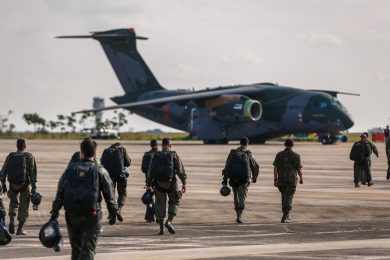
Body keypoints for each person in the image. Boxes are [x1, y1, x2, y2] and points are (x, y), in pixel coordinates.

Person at [50, 138, 118, 260]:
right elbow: (109, 194)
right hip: (92, 214)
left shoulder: (70, 169)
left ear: (81, 152)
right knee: (88, 249)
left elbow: (60, 191)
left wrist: (54, 213)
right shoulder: (100, 170)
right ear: (95, 152)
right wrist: (113, 212)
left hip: (72, 214)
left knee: (76, 249)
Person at [146, 138, 186, 235]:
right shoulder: (173, 154)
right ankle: (169, 221)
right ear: (170, 145)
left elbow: (150, 171)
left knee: (160, 204)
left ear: (162, 145)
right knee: (175, 201)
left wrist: (148, 183)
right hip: (172, 183)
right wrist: (184, 182)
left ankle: (161, 229)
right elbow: (180, 170)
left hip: (159, 184)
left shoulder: (156, 155)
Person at [0, 139, 38, 235]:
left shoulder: (11, 156)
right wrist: (34, 188)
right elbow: (33, 174)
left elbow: (3, 171)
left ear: (17, 146)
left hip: (12, 185)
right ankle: (19, 229)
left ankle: (12, 220)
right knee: (24, 207)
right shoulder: (29, 156)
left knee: (13, 203)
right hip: (24, 185)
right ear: (24, 146)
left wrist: (4, 184)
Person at [222, 137, 259, 224]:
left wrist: (225, 180)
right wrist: (254, 177)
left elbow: (227, 166)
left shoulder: (233, 153)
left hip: (234, 179)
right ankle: (239, 216)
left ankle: (237, 213)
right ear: (247, 144)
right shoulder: (248, 153)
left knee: (236, 197)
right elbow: (256, 166)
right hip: (244, 180)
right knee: (242, 198)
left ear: (240, 143)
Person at [273, 139, 303, 223]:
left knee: (283, 197)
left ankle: (285, 214)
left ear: (285, 145)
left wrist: (275, 179)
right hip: (291, 180)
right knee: (289, 197)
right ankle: (286, 215)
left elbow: (275, 168)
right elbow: (298, 169)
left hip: (281, 179)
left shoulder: (279, 155)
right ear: (292, 145)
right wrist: (301, 178)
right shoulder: (296, 156)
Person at [100, 143, 131, 221]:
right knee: (122, 193)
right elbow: (128, 162)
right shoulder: (122, 149)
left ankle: (112, 213)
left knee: (111, 195)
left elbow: (101, 163)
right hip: (121, 175)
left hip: (109, 176)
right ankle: (119, 209)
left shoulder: (106, 151)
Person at [141, 139, 158, 223]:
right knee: (159, 199)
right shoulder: (161, 154)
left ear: (150, 145)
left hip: (149, 180)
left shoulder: (147, 154)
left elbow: (143, 169)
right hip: (160, 180)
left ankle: (149, 217)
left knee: (149, 199)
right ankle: (157, 215)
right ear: (157, 145)